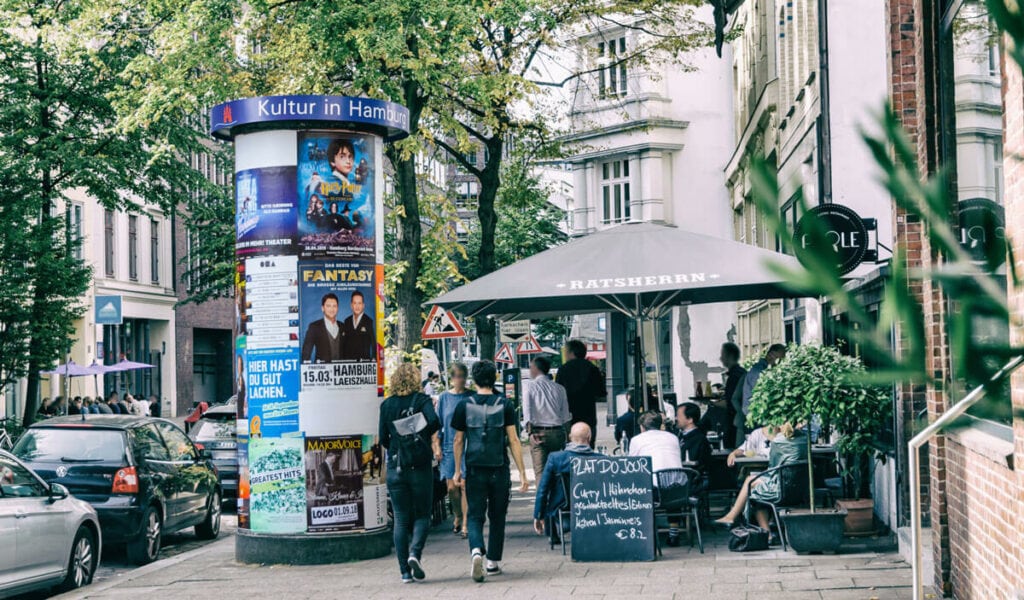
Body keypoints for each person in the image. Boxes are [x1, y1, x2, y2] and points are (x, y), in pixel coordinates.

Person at [452, 360, 529, 583]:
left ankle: (476, 550)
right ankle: (492, 562)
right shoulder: (504, 404)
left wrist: (457, 470)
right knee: (497, 516)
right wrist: (522, 473)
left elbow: (458, 440)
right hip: (499, 468)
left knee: (475, 514)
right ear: (494, 378)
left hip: (475, 468)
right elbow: (513, 440)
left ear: (473, 380)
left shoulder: (463, 406)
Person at [379, 363, 441, 584]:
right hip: (420, 465)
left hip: (397, 465)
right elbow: (435, 421)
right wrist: (416, 430)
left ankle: (404, 571)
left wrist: (399, 438)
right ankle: (415, 553)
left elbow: (383, 438)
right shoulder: (422, 400)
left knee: (401, 518)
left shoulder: (387, 405)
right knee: (423, 514)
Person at [715, 424, 808, 544]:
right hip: (801, 490)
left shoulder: (779, 442)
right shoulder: (803, 440)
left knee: (753, 487)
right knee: (753, 483)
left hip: (780, 488)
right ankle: (736, 518)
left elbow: (773, 466)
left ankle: (764, 532)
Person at [532, 423, 605, 545]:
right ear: (589, 438)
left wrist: (538, 515)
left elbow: (542, 489)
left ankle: (553, 535)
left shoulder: (556, 458)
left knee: (550, 489)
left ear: (570, 437)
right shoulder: (601, 459)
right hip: (594, 507)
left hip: (563, 508)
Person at [628, 411, 686, 546]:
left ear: (642, 427)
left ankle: (644, 532)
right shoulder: (673, 437)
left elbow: (631, 464)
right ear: (660, 425)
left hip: (654, 492)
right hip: (679, 491)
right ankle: (673, 533)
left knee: (638, 488)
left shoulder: (637, 440)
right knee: (671, 483)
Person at [434, 363, 472, 538]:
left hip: (467, 446)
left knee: (464, 485)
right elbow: (438, 424)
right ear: (451, 378)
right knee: (451, 487)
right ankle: (457, 514)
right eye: (457, 375)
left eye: (463, 375)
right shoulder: (444, 398)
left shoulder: (471, 396)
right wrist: (437, 446)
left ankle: (465, 522)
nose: (461, 379)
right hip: (449, 447)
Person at [522, 356, 571, 482]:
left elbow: (527, 411)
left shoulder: (529, 387)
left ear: (536, 368)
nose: (530, 370)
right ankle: (558, 500)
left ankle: (542, 500)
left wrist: (530, 432)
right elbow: (565, 416)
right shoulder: (560, 389)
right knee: (557, 472)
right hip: (557, 434)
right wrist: (568, 437)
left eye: (531, 367)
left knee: (540, 473)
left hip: (539, 434)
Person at [555, 340, 606, 448]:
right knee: (588, 446)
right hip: (589, 416)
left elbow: (557, 394)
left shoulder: (563, 370)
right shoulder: (593, 369)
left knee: (571, 448)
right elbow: (601, 392)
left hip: (569, 417)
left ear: (572, 352)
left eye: (566, 352)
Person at [738, 344, 787, 441]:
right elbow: (765, 396)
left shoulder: (766, 370)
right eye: (779, 359)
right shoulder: (759, 371)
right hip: (756, 418)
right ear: (770, 355)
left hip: (758, 417)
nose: (780, 362)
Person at [700, 342, 746, 446]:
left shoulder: (735, 376)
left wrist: (710, 402)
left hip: (734, 421)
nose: (720, 359)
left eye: (722, 355)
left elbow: (730, 403)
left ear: (730, 356)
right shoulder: (740, 372)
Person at [301, 293, 343, 363]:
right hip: (322, 370)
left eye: (334, 306)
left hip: (342, 371)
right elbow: (306, 354)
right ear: (323, 308)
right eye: (328, 306)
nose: (332, 309)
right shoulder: (314, 327)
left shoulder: (343, 326)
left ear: (337, 308)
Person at [339, 291, 375, 361]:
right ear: (351, 305)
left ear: (363, 305)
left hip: (363, 364)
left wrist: (373, 360)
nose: (357, 306)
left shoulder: (369, 321)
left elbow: (373, 345)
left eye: (359, 303)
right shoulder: (347, 321)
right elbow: (343, 344)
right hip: (348, 363)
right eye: (355, 303)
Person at [677, 402, 711, 472]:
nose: (676, 418)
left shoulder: (699, 439)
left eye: (678, 416)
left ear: (690, 419)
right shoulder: (679, 436)